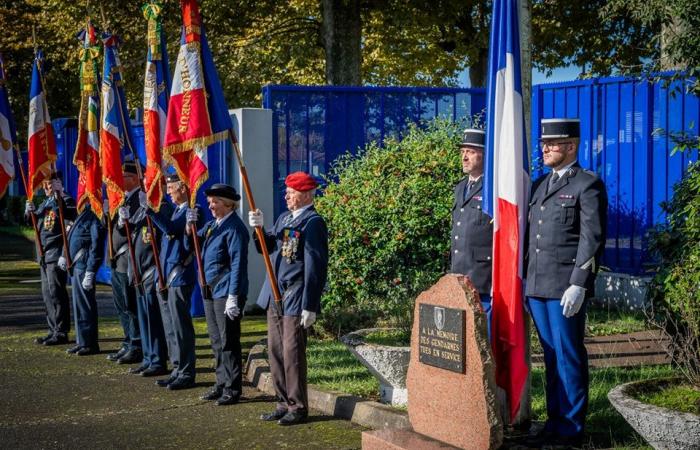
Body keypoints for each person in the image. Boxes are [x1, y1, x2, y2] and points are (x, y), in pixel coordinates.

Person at [525, 118, 607, 447]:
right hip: (537, 285)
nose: (544, 148)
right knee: (549, 356)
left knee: (568, 355)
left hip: (564, 287)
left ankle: (572, 430)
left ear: (571, 146)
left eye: (552, 144)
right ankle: (554, 422)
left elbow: (592, 238)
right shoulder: (539, 185)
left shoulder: (587, 184)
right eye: (543, 143)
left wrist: (580, 282)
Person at [249, 171, 328, 426]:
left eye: (291, 192)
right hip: (276, 293)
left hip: (296, 294)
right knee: (275, 351)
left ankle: (298, 406)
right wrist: (258, 228)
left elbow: (315, 266)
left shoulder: (313, 222)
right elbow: (267, 247)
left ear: (305, 194)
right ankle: (282, 402)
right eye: (287, 191)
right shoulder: (285, 218)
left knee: (292, 353)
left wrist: (310, 305)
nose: (286, 195)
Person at [186, 183, 249, 406]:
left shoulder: (235, 228)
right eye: (210, 202)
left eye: (215, 202)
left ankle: (233, 388)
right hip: (211, 291)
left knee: (229, 341)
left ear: (228, 204)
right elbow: (192, 242)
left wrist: (233, 296)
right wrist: (190, 225)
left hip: (226, 292)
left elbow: (238, 265)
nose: (210, 206)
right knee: (216, 340)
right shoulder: (214, 225)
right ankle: (221, 382)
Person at [145, 173, 201, 390]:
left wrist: (150, 210)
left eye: (171, 187)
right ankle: (177, 368)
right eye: (167, 187)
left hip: (180, 275)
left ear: (184, 188)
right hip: (166, 275)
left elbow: (170, 228)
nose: (168, 192)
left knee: (180, 327)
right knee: (170, 327)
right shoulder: (177, 210)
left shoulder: (192, 211)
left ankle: (187, 372)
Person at [118, 161, 171, 377]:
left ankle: (158, 360)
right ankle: (149, 357)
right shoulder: (145, 209)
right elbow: (133, 231)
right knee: (143, 317)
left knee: (153, 319)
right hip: (138, 272)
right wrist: (123, 221)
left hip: (151, 270)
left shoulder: (163, 208)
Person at [450, 128, 493, 340]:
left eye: (470, 151)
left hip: (483, 274)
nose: (464, 156)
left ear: (484, 154)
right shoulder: (460, 187)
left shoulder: (493, 188)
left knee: (483, 336)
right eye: (463, 151)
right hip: (459, 271)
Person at [25, 172, 76, 346]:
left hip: (55, 253)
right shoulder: (45, 203)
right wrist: (29, 211)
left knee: (57, 293)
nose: (46, 187)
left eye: (50, 183)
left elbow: (69, 216)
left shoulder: (66, 200)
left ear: (58, 183)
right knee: (47, 295)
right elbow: (34, 222)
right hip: (43, 255)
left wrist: (58, 195)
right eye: (45, 184)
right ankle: (52, 329)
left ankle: (61, 332)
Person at [107, 161, 142, 365]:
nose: (118, 181)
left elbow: (134, 230)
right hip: (116, 259)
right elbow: (111, 229)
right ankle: (128, 340)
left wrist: (123, 223)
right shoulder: (121, 199)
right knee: (121, 305)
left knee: (130, 305)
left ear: (135, 178)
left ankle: (136, 344)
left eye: (124, 177)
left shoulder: (140, 198)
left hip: (128, 259)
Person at [65, 203, 105, 355]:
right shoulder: (82, 213)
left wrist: (91, 270)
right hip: (77, 265)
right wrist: (64, 255)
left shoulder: (94, 214)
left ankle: (89, 343)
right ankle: (81, 341)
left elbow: (96, 245)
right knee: (78, 306)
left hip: (84, 265)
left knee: (85, 306)